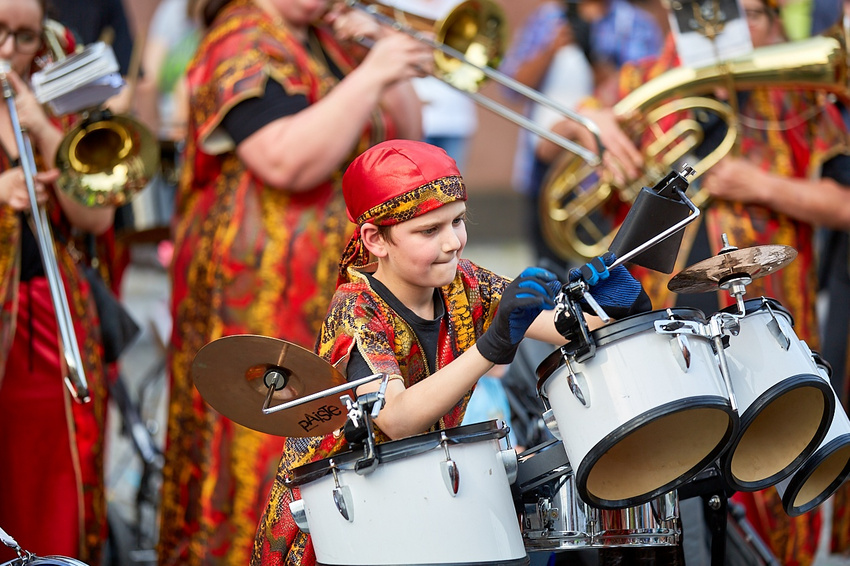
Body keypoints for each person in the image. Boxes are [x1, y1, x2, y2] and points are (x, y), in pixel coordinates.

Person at [538, 0, 850, 561]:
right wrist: (596, 126)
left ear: (776, 22)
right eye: (708, 15)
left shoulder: (793, 94)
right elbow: (547, 140)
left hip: (772, 313)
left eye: (750, 14)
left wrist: (758, 184)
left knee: (781, 453)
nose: (730, 29)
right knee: (675, 474)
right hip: (661, 326)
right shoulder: (640, 80)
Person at [251, 139, 653, 565]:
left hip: (414, 501)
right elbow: (397, 419)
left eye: (458, 221)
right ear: (376, 240)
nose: (452, 242)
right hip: (336, 521)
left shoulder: (463, 281)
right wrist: (491, 346)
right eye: (429, 230)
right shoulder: (355, 308)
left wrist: (617, 308)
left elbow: (561, 327)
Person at [157, 1, 432, 565]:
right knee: (258, 453)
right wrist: (372, 71)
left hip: (330, 293)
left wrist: (385, 55)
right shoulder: (239, 40)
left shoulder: (325, 39)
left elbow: (403, 145)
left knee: (335, 448)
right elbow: (283, 159)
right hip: (255, 298)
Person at [0, 1, 116, 563]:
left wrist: (41, 126)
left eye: (22, 36)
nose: (8, 50)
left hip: (41, 305)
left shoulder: (52, 78)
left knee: (47, 477)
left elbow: (96, 216)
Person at [500, 0, 663, 275]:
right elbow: (512, 87)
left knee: (605, 269)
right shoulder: (546, 18)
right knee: (547, 267)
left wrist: (591, 55)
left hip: (604, 167)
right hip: (547, 159)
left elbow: (641, 96)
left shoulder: (636, 23)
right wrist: (551, 50)